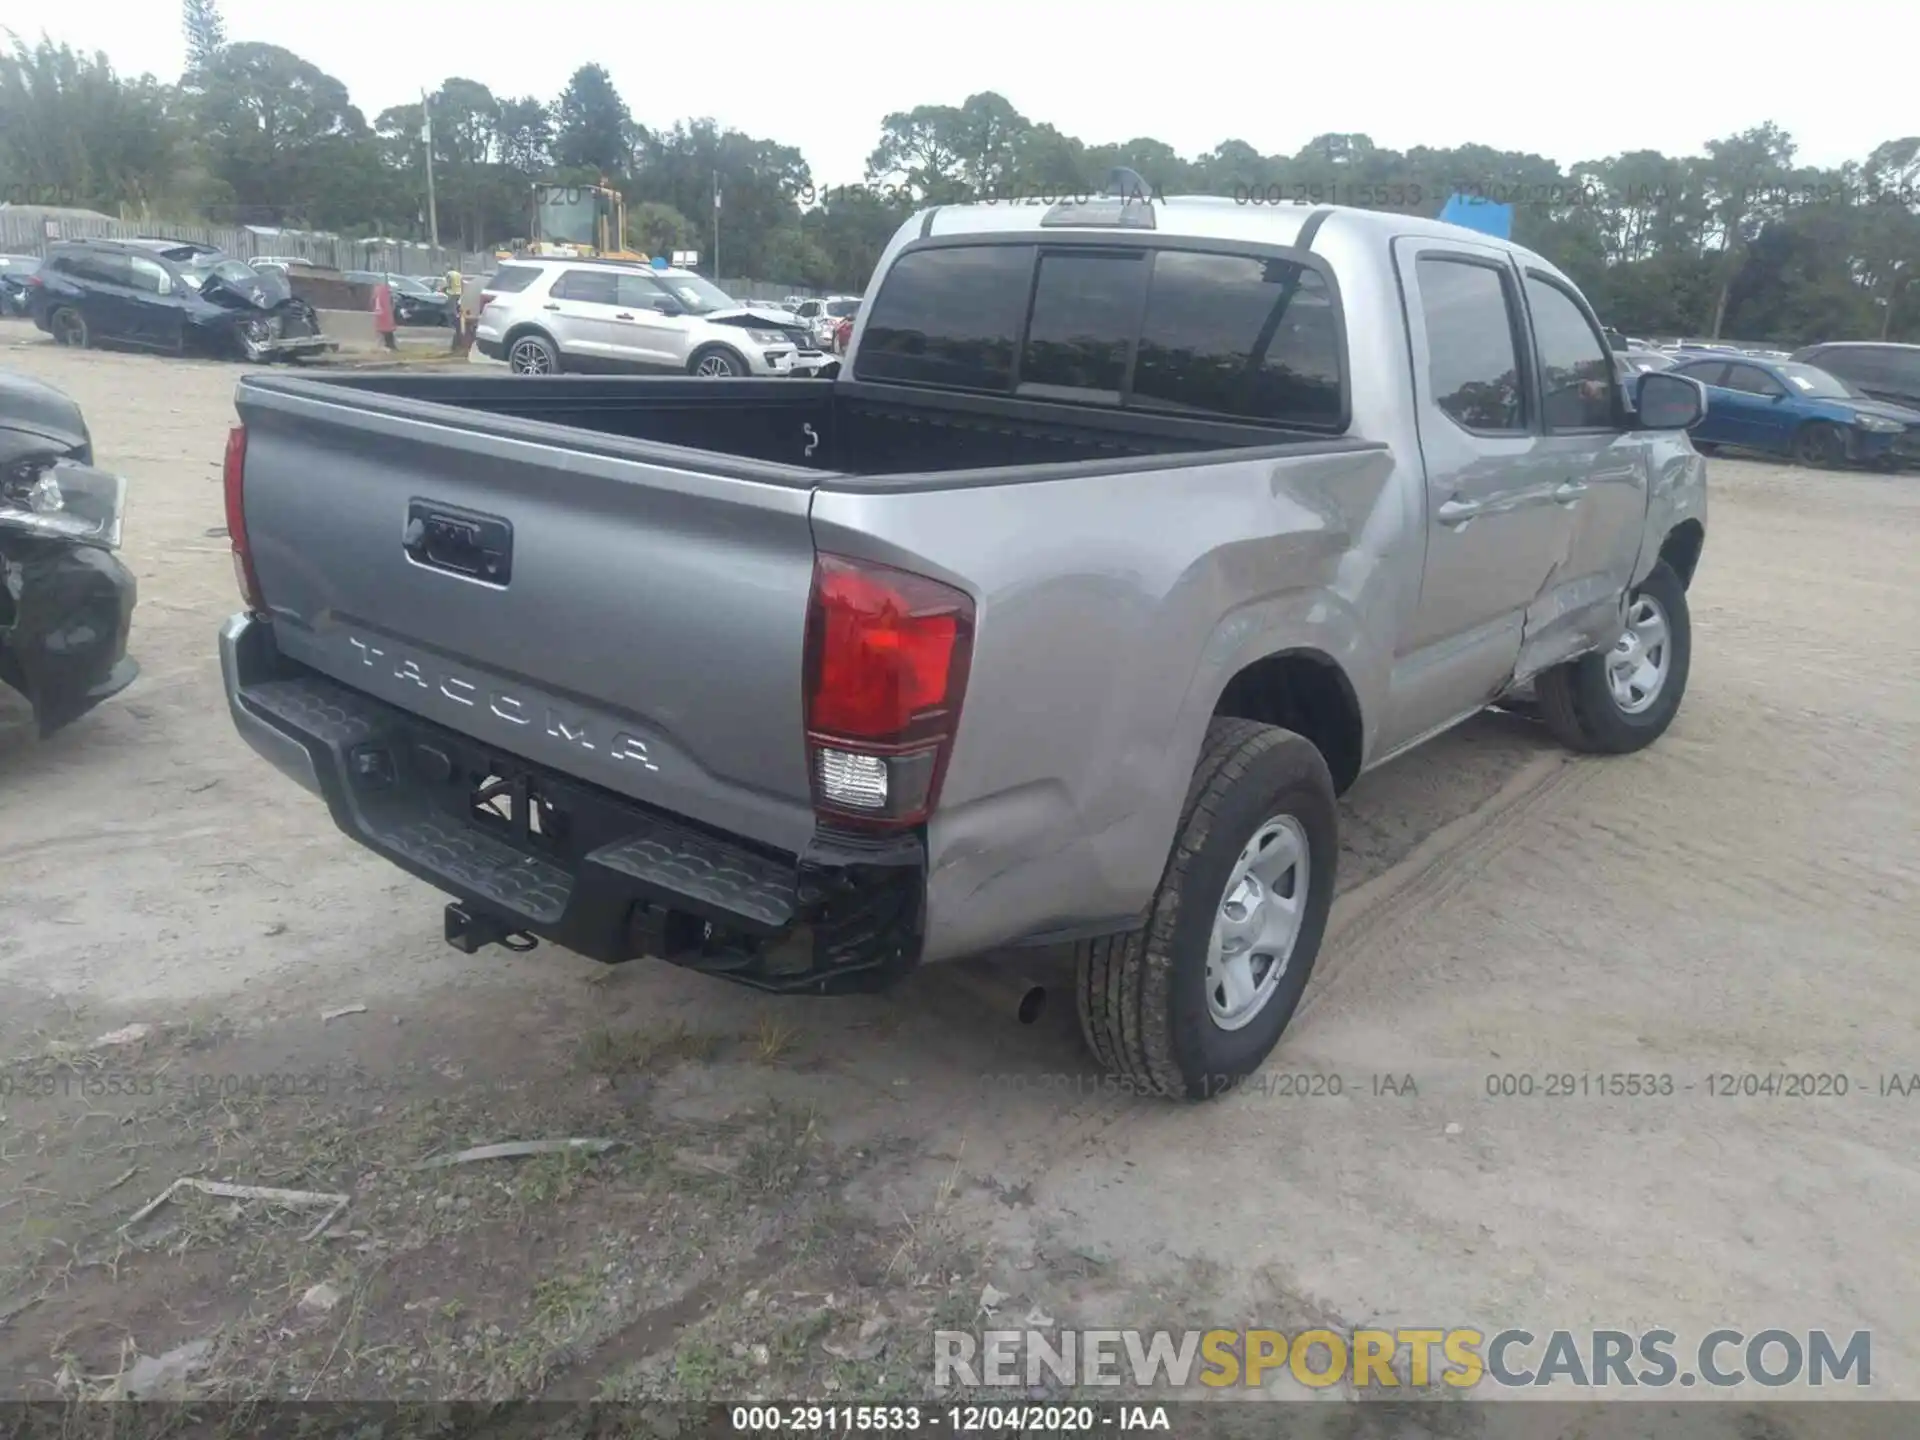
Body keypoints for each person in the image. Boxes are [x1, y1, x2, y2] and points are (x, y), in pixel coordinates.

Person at [372, 278, 396, 352]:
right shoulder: (383, 292)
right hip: (384, 314)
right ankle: (389, 345)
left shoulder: (377, 291)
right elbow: (389, 305)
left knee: (384, 332)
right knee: (386, 331)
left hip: (381, 314)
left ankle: (387, 345)